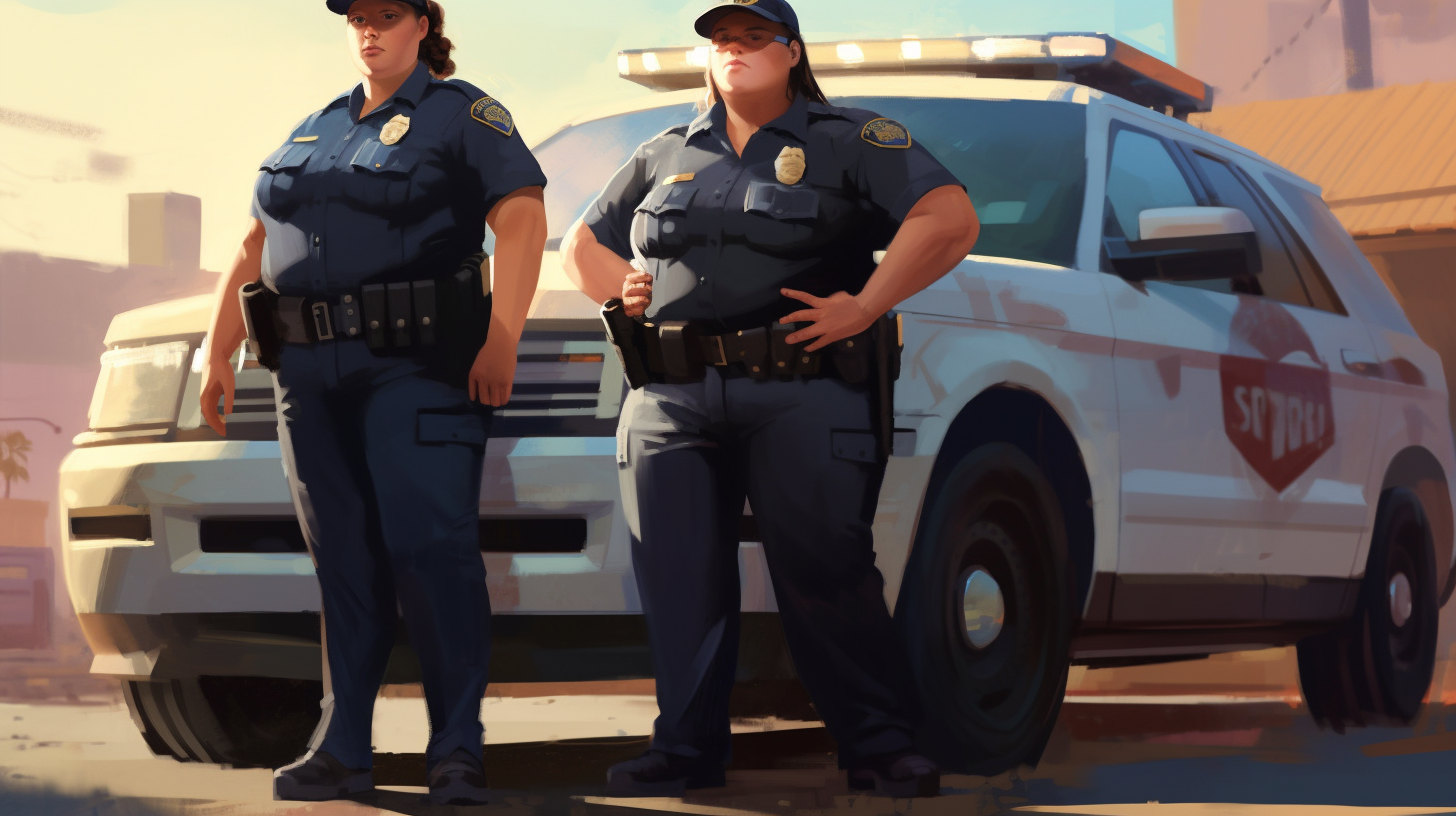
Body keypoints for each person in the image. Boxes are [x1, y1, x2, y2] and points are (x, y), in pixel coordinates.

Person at [562, 0, 980, 798]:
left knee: (826, 572)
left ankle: (880, 745)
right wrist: (624, 288)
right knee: (678, 578)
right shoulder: (664, 152)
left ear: (792, 52)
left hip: (804, 388)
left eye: (755, 37)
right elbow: (585, 242)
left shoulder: (850, 140)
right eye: (723, 39)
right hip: (670, 396)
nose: (736, 50)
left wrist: (866, 303)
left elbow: (948, 217)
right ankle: (685, 751)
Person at [197, 0, 547, 805]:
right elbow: (255, 241)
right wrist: (218, 351)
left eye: (387, 13)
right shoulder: (316, 126)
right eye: (356, 14)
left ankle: (456, 746)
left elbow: (521, 218)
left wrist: (503, 338)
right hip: (306, 375)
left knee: (433, 554)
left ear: (424, 24)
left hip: (417, 366)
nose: (368, 28)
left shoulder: (463, 115)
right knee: (343, 564)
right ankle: (344, 745)